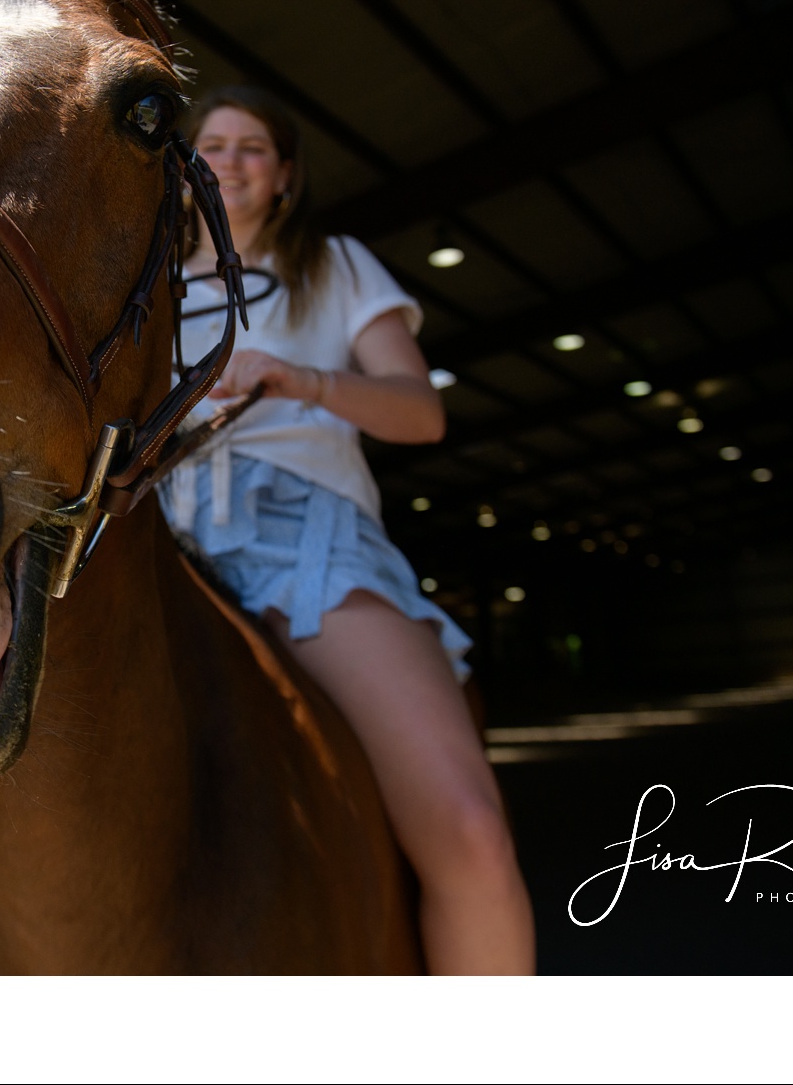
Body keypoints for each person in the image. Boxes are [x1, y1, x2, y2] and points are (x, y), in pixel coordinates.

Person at [161, 85, 535, 974]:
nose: (230, 159)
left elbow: (420, 414)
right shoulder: (143, 282)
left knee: (471, 832)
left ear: (284, 175)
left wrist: (305, 381)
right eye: (211, 144)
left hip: (302, 535)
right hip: (156, 533)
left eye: (254, 147)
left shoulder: (336, 266)